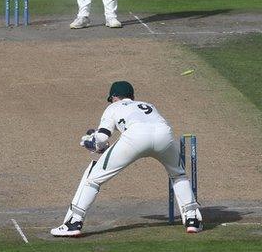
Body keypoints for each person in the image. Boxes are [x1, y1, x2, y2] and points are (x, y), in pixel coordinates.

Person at [50, 81, 202, 237]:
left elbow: (102, 138)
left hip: (135, 137)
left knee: (93, 179)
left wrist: (91, 142)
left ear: (114, 97)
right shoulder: (147, 105)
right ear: (132, 96)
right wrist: (99, 145)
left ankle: (74, 222)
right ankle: (192, 219)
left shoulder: (113, 107)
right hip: (164, 135)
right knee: (178, 175)